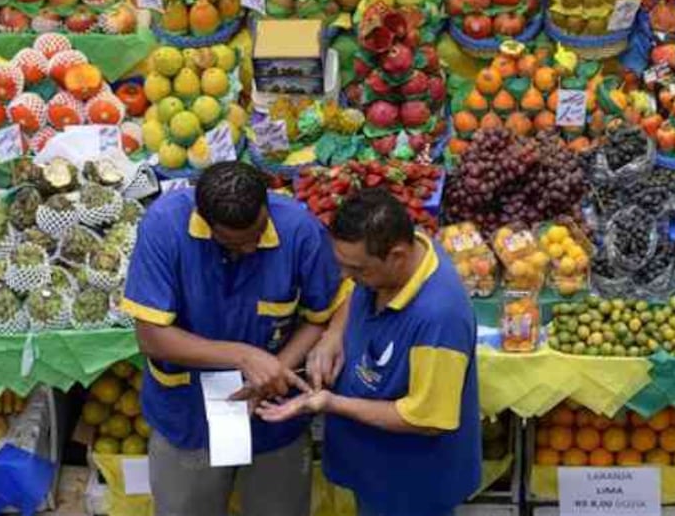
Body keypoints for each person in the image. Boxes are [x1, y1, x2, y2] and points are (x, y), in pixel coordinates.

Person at [121, 161, 350, 516]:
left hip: (273, 414)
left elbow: (324, 314)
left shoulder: (299, 230)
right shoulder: (164, 226)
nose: (250, 249)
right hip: (188, 413)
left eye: (258, 235)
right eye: (235, 243)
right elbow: (151, 336)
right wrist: (243, 356)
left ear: (267, 205)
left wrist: (277, 369)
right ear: (204, 219)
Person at [258, 188, 481, 516]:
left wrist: (332, 403)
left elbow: (427, 418)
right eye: (343, 266)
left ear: (397, 256)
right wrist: (334, 334)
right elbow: (354, 292)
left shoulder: (440, 319)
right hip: (372, 466)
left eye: (359, 271)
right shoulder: (410, 251)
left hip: (410, 483)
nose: (348, 278)